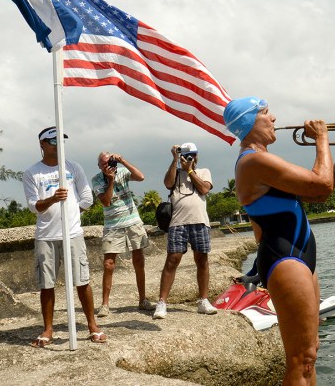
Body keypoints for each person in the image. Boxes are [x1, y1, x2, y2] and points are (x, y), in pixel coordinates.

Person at [223, 96, 335, 385]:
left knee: (311, 353)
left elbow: (317, 193)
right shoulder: (253, 161)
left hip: (300, 255)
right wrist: (322, 138)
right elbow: (322, 183)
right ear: (249, 122)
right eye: (265, 113)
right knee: (300, 360)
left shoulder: (263, 160)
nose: (274, 118)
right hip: (284, 258)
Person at [22, 126, 108, 347]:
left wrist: (71, 213)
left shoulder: (74, 167)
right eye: (53, 141)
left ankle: (92, 325)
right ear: (42, 144)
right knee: (47, 284)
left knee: (82, 281)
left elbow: (87, 197)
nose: (58, 145)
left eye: (61, 141)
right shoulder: (32, 173)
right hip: (46, 236)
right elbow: (34, 207)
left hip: (73, 234)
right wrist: (52, 200)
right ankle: (48, 329)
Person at [153, 142, 218, 319]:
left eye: (194, 155)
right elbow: (167, 183)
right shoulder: (175, 173)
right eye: (188, 155)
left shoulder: (204, 171)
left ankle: (203, 300)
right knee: (172, 260)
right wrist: (175, 161)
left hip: (200, 222)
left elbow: (204, 189)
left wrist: (190, 171)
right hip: (178, 223)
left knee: (202, 260)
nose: (191, 158)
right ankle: (161, 303)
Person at [92, 152, 153, 317]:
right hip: (113, 225)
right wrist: (110, 180)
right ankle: (105, 305)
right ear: (99, 165)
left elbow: (140, 177)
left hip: (133, 222)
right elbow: (106, 201)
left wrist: (123, 161)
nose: (107, 166)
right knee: (108, 265)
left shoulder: (123, 172)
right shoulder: (97, 180)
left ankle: (142, 300)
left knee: (139, 261)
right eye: (104, 164)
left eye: (109, 162)